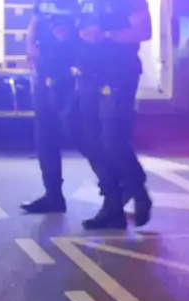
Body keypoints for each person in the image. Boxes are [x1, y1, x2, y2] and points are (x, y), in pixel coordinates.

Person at [73, 0, 154, 230]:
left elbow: (143, 31)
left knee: (112, 138)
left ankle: (136, 191)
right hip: (89, 73)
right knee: (81, 133)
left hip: (118, 73)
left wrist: (104, 35)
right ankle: (113, 198)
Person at [21, 0, 86, 215]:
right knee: (44, 137)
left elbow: (89, 34)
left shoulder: (80, 4)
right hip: (45, 73)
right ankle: (53, 195)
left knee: (80, 134)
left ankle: (117, 189)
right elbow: (34, 23)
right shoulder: (43, 3)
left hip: (70, 75)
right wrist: (30, 46)